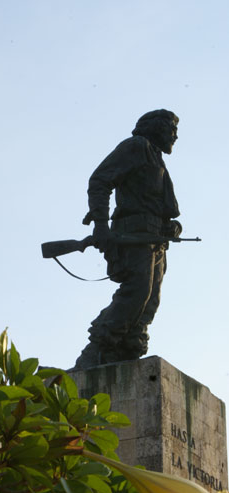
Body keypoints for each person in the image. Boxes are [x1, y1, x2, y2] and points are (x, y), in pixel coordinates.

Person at [74, 109, 181, 369]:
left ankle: (125, 355)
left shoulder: (155, 157)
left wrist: (170, 226)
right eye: (171, 129)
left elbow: (157, 204)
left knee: (149, 302)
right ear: (156, 128)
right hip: (132, 236)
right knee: (136, 294)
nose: (175, 136)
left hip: (154, 240)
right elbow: (100, 180)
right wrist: (101, 224)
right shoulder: (136, 147)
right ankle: (95, 353)